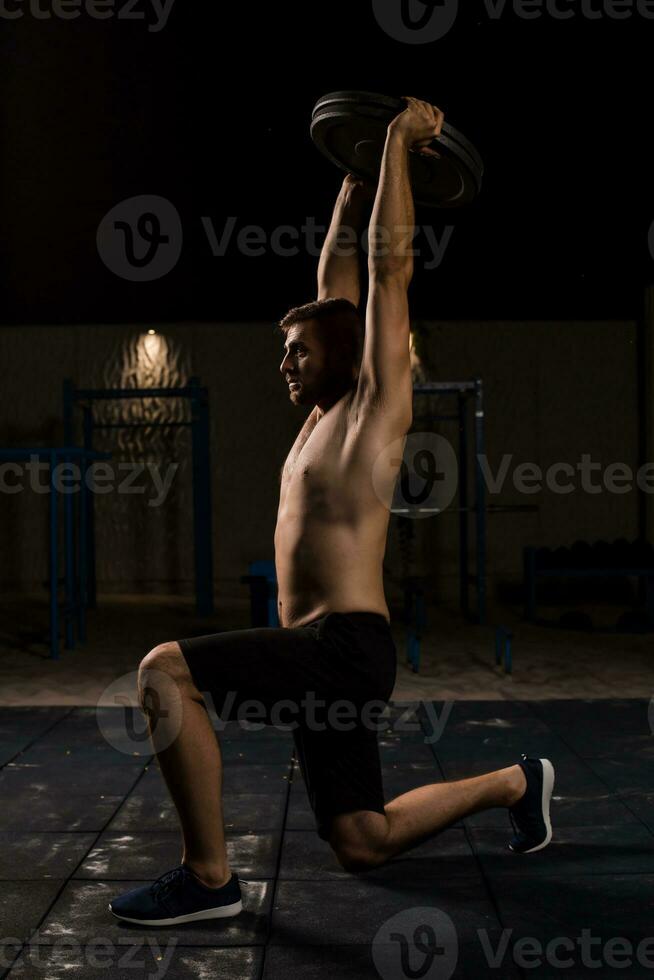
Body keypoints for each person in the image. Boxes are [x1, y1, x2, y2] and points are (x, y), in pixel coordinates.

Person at [109, 97, 554, 927]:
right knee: (362, 841)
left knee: (165, 672)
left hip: (341, 645)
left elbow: (385, 275)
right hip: (329, 657)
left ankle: (209, 880)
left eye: (297, 351)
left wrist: (396, 141)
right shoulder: (317, 419)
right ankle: (517, 781)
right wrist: (353, 188)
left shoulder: (372, 413)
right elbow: (336, 287)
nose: (283, 361)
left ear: (342, 360)